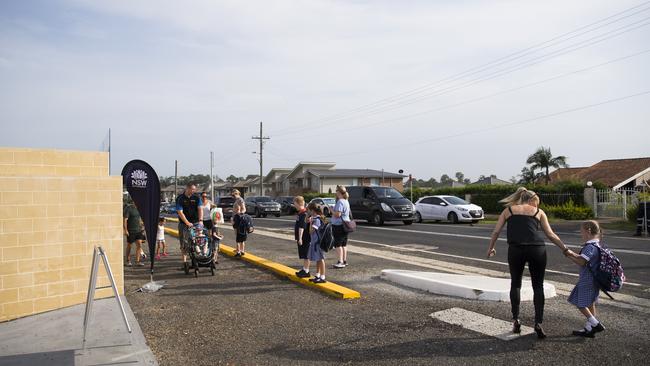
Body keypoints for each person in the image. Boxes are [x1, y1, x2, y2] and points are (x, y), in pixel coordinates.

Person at [486, 187, 571, 339]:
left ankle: (516, 319)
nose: (536, 205)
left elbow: (496, 231)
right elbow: (551, 234)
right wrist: (565, 249)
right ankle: (538, 322)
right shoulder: (538, 212)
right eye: (536, 202)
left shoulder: (509, 211)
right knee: (538, 286)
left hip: (516, 249)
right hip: (537, 249)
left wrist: (491, 248)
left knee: (516, 284)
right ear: (532, 200)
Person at [565, 220, 606, 338]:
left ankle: (595, 323)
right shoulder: (598, 245)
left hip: (587, 280)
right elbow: (583, 261)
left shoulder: (590, 247)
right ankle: (589, 328)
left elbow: (582, 262)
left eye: (581, 231)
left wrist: (569, 253)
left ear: (588, 231)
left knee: (580, 302)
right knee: (590, 303)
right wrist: (570, 255)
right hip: (594, 280)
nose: (580, 234)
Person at [176, 182, 203, 270]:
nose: (193, 191)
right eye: (192, 189)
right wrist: (187, 222)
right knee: (184, 243)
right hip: (184, 224)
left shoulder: (196, 198)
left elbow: (200, 209)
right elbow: (180, 212)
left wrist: (201, 220)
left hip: (195, 222)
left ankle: (198, 258)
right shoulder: (180, 198)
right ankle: (184, 262)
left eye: (194, 189)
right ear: (187, 188)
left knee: (198, 240)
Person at [331, 186, 351, 269]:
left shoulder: (340, 201)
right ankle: (344, 261)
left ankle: (340, 261)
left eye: (336, 191)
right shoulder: (346, 201)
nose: (336, 192)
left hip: (338, 225)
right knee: (344, 244)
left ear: (339, 192)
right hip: (346, 224)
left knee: (338, 244)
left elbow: (337, 214)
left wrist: (331, 209)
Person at [307, 202, 327, 284]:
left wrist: (311, 222)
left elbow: (311, 231)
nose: (308, 212)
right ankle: (317, 275)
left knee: (321, 259)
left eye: (309, 210)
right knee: (318, 259)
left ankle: (322, 276)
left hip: (318, 243)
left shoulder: (317, 220)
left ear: (313, 211)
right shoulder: (317, 218)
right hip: (316, 242)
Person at [293, 196, 312, 278]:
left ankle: (306, 270)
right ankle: (304, 269)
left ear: (297, 203)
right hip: (303, 237)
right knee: (304, 254)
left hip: (305, 238)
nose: (294, 205)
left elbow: (302, 227)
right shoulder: (301, 213)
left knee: (306, 254)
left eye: (294, 203)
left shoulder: (303, 214)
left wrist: (300, 238)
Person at [123, 202, 145, 266]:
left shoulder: (139, 209)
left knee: (139, 245)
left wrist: (142, 225)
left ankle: (137, 261)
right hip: (131, 231)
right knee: (129, 246)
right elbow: (125, 220)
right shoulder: (129, 208)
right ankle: (128, 260)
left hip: (138, 230)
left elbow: (139, 219)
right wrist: (126, 230)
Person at [230, 189, 247, 256]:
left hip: (238, 219)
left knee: (238, 235)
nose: (233, 196)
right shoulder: (237, 200)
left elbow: (244, 209)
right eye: (232, 195)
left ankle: (239, 251)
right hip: (236, 218)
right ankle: (240, 250)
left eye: (234, 194)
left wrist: (239, 214)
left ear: (238, 194)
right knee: (239, 235)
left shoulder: (240, 199)